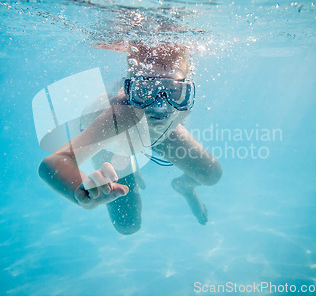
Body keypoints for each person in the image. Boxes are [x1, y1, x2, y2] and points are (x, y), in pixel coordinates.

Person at [38, 42, 222, 235]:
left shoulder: (180, 108)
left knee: (211, 174)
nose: (160, 107)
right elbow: (53, 163)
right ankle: (128, 160)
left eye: (174, 91)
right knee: (128, 224)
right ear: (130, 91)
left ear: (187, 90)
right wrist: (81, 189)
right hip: (111, 143)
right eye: (145, 91)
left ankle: (184, 186)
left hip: (148, 136)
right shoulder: (118, 117)